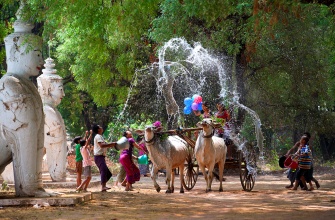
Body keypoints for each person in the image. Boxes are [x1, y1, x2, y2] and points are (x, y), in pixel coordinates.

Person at [92, 124, 118, 192]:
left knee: (108, 173)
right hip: (99, 157)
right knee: (103, 171)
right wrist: (112, 144)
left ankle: (103, 185)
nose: (101, 127)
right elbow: (102, 145)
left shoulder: (100, 136)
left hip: (101, 157)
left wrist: (111, 144)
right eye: (100, 127)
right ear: (98, 129)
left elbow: (104, 145)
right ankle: (103, 186)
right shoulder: (98, 136)